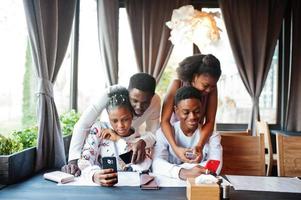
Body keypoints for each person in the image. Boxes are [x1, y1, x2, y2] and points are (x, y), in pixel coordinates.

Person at [62, 73, 160, 176]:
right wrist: (73, 161)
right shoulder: (111, 93)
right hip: (103, 138)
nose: (139, 107)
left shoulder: (155, 102)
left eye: (145, 103)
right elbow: (83, 123)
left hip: (128, 140)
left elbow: (153, 132)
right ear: (128, 93)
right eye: (134, 100)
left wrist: (142, 141)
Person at [78, 87, 152, 186]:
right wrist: (94, 175)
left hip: (127, 191)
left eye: (125, 119)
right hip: (99, 188)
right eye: (114, 121)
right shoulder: (99, 130)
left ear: (132, 116)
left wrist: (118, 140)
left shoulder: (139, 138)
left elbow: (143, 167)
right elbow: (84, 161)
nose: (120, 125)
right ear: (108, 117)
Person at [161, 54, 221, 164]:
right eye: (205, 85)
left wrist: (199, 145)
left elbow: (210, 121)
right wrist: (175, 148)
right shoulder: (177, 84)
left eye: (213, 86)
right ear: (194, 77)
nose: (209, 90)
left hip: (196, 139)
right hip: (173, 138)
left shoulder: (212, 89)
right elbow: (164, 121)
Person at [152, 86, 222, 180]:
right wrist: (184, 173)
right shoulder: (163, 133)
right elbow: (156, 164)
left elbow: (216, 165)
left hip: (199, 188)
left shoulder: (213, 136)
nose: (192, 117)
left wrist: (172, 169)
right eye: (186, 112)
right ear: (176, 110)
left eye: (197, 111)